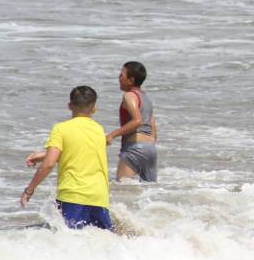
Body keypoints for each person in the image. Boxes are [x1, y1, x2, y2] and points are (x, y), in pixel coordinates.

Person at [21, 86, 113, 231]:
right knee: (100, 244)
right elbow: (79, 152)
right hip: (99, 197)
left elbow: (49, 164)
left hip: (73, 196)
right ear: (94, 108)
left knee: (70, 242)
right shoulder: (99, 130)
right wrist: (43, 156)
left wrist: (29, 190)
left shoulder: (61, 129)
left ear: (70, 105)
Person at [106, 61, 158, 182]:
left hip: (135, 148)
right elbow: (153, 129)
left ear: (131, 80)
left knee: (123, 189)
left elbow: (137, 121)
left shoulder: (129, 96)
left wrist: (112, 135)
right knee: (149, 191)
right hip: (150, 149)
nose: (118, 78)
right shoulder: (147, 98)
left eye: (121, 75)